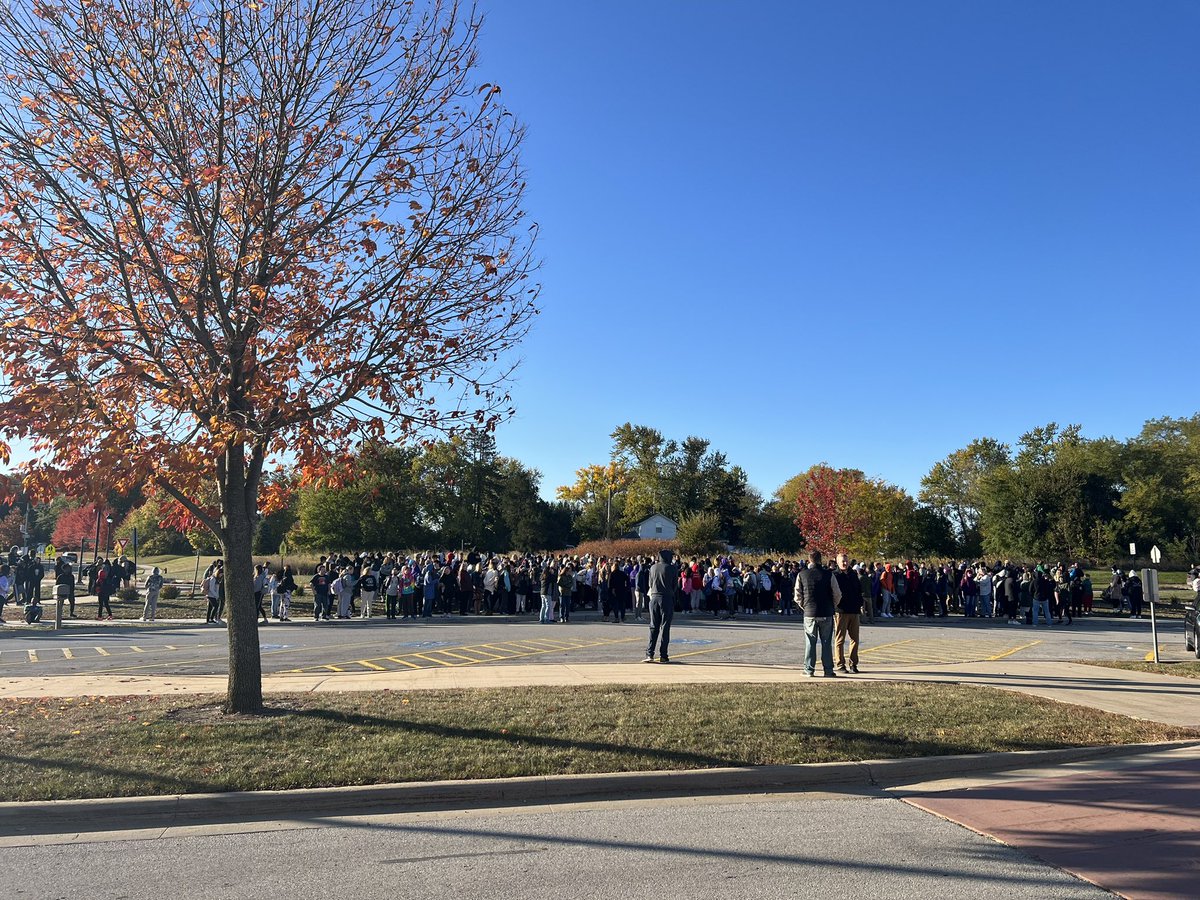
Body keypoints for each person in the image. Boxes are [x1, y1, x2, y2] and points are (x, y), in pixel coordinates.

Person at [795, 550, 836, 677]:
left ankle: (809, 669)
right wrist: (832, 606)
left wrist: (804, 607)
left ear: (809, 560)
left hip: (810, 613)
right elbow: (837, 593)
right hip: (826, 612)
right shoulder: (829, 575)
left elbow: (797, 595)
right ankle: (828, 670)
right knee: (826, 642)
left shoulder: (802, 575)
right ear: (820, 559)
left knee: (810, 642)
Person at [831, 553, 863, 674]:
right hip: (841, 611)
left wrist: (860, 603)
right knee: (840, 639)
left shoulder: (853, 575)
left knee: (855, 639)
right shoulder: (835, 575)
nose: (845, 563)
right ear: (837, 562)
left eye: (846, 561)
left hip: (854, 611)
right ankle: (840, 665)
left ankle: (853, 664)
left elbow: (859, 590)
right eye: (842, 561)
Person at [644, 549, 678, 663]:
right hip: (666, 598)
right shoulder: (672, 568)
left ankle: (650, 653)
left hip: (653, 597)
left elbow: (649, 583)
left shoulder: (653, 567)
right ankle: (663, 655)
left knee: (653, 626)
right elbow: (674, 586)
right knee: (665, 627)